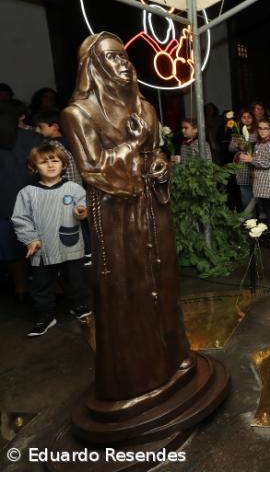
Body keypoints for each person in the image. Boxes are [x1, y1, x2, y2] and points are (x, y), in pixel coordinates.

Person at [60, 31, 193, 402]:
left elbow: (158, 154)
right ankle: (136, 378)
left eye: (124, 56)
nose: (123, 64)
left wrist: (161, 168)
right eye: (112, 58)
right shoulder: (79, 114)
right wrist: (133, 147)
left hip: (153, 210)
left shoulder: (144, 107)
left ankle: (172, 358)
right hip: (118, 219)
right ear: (93, 68)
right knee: (128, 291)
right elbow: (95, 170)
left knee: (164, 282)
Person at [12, 142, 91, 336]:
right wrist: (30, 239)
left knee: (76, 281)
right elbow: (21, 219)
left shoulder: (74, 188)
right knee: (41, 286)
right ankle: (45, 317)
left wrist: (83, 212)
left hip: (70, 246)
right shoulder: (27, 193)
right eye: (44, 162)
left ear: (63, 165)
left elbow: (85, 206)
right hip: (42, 249)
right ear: (33, 167)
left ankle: (78, 306)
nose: (50, 165)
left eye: (55, 160)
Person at [0, 101, 41, 300]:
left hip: (4, 207)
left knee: (13, 255)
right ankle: (56, 289)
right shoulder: (33, 138)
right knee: (41, 250)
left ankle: (21, 289)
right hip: (35, 204)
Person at [33, 110, 82, 184]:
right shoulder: (68, 140)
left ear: (55, 127)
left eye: (41, 127)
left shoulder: (53, 145)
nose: (37, 130)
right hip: (76, 183)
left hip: (63, 186)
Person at [229, 108, 256, 211]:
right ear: (240, 119)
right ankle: (249, 218)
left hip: (254, 165)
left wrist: (251, 148)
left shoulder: (257, 132)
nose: (247, 119)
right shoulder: (237, 133)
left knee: (258, 193)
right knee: (245, 193)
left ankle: (262, 216)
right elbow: (230, 148)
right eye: (244, 117)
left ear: (252, 118)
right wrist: (237, 146)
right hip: (242, 166)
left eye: (249, 117)